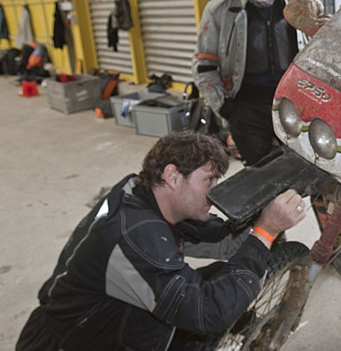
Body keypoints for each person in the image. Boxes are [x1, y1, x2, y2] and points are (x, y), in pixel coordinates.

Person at [16, 130, 306, 350]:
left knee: (223, 276)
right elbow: (208, 313)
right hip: (69, 343)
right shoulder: (134, 235)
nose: (215, 193)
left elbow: (222, 240)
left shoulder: (142, 195)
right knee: (210, 306)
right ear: (172, 176)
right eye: (209, 181)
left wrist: (258, 212)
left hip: (109, 318)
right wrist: (265, 232)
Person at [192, 0, 341, 277]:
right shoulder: (219, 11)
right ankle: (273, 249)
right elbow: (204, 68)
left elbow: (331, 49)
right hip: (248, 110)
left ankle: (331, 249)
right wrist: (226, 109)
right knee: (266, 184)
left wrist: (328, 33)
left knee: (320, 177)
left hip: (298, 104)